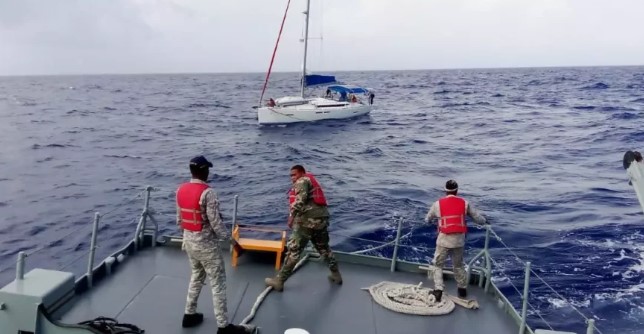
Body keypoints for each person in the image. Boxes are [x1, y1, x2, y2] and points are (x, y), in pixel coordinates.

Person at [176, 155, 254, 334]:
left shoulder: (180, 190)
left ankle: (189, 315)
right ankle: (223, 326)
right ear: (204, 171)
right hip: (207, 246)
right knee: (218, 284)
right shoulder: (208, 192)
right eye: (208, 169)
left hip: (189, 242)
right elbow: (216, 224)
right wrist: (232, 242)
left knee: (196, 276)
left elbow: (179, 220)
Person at [264, 165, 342, 291]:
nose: (292, 178)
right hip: (321, 220)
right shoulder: (310, 180)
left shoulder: (302, 181)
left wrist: (291, 216)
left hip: (307, 222)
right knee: (324, 249)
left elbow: (300, 200)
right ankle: (336, 275)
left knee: (293, 251)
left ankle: (279, 281)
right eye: (291, 175)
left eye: (294, 175)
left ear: (301, 173)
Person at [424, 179, 487, 302]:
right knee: (458, 265)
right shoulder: (464, 203)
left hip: (444, 240)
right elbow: (477, 218)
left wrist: (429, 221)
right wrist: (485, 221)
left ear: (445, 191)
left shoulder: (437, 204)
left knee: (438, 265)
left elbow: (428, 218)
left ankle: (438, 290)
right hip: (459, 241)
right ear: (457, 191)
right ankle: (462, 289)